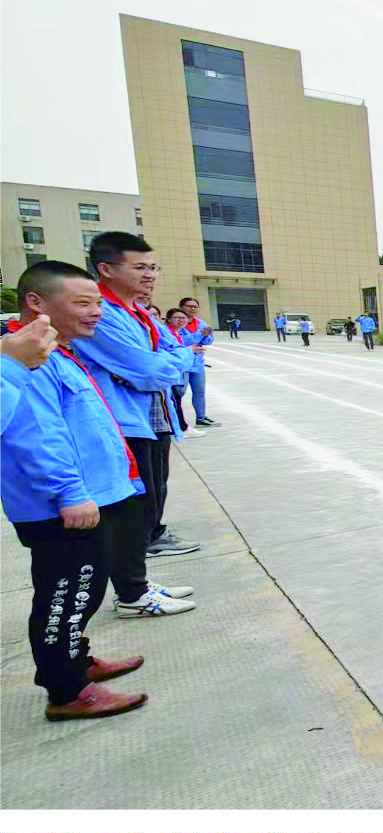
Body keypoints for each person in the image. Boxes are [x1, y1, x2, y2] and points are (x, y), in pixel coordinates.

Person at [5, 264, 154, 722]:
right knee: (65, 596)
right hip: (60, 505)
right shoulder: (31, 360)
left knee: (81, 593)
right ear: (37, 303)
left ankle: (77, 661)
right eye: (83, 303)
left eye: (98, 303)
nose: (96, 312)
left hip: (86, 495)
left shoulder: (59, 352)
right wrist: (69, 493)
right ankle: (66, 690)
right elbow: (37, 436)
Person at [74, 233, 193, 613]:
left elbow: (175, 358)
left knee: (151, 500)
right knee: (130, 510)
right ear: (106, 269)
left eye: (152, 267)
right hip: (124, 422)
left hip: (154, 418)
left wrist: (164, 362)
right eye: (140, 267)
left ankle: (137, 582)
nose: (150, 275)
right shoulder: (103, 314)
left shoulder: (136, 312)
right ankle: (132, 595)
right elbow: (147, 370)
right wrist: (159, 364)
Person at [166, 298, 211, 431]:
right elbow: (182, 341)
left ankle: (201, 417)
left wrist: (206, 335)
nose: (193, 309)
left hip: (197, 363)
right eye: (189, 306)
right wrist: (199, 335)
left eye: (195, 306)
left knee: (199, 391)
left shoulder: (200, 323)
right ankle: (176, 420)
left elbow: (208, 339)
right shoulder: (177, 324)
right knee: (179, 392)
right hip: (183, 364)